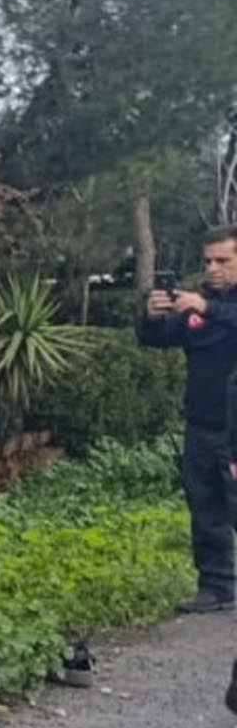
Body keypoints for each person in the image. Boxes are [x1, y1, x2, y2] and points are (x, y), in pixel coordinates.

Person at [136, 221, 237, 616]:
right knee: (206, 508)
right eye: (208, 261)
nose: (213, 268)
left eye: (223, 260)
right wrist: (152, 317)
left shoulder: (209, 306)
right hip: (202, 423)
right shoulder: (198, 304)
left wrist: (207, 307)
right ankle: (217, 586)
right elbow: (156, 339)